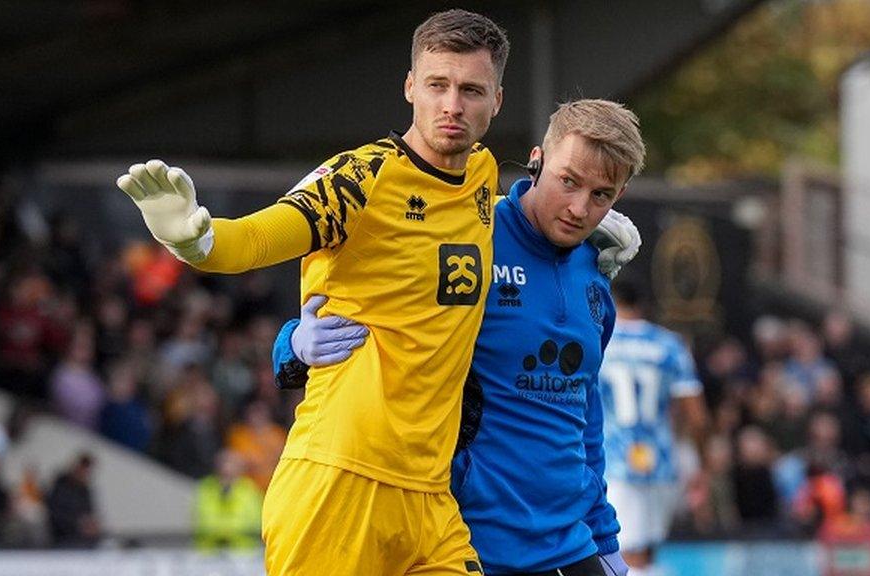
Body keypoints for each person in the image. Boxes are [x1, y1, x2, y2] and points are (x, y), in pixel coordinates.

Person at [119, 9, 508, 574]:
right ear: (409, 87)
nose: (452, 105)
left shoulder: (483, 176)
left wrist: (581, 228)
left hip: (430, 495)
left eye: (471, 90)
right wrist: (195, 243)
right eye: (437, 85)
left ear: (497, 100)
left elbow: (519, 214)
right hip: (338, 480)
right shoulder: (360, 178)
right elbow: (255, 237)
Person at [277, 99, 646, 575]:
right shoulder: (467, 237)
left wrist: (605, 538)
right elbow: (364, 326)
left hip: (572, 546)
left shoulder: (596, 272)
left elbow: (584, 415)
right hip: (464, 543)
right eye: (568, 181)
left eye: (602, 195)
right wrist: (294, 345)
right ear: (537, 161)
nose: (579, 208)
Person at [597, 281, 709, 576]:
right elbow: (696, 416)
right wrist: (699, 464)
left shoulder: (598, 337)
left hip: (611, 461)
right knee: (646, 553)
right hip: (659, 463)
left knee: (620, 555)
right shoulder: (669, 344)